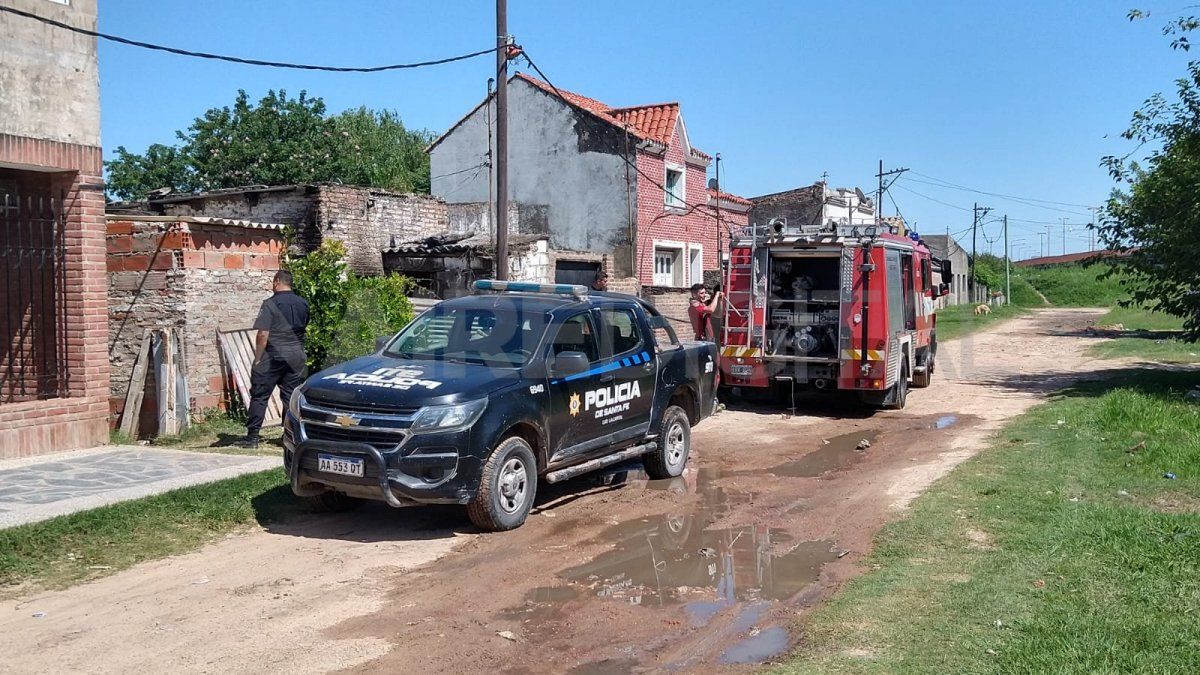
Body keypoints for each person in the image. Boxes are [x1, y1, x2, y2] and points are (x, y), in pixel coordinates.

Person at [233, 270, 310, 448]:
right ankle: (290, 436)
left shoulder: (270, 303)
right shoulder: (303, 303)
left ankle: (252, 438)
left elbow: (263, 333)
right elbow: (304, 325)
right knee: (290, 396)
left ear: (277, 281)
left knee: (260, 394)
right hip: (296, 354)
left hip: (274, 355)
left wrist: (258, 357)